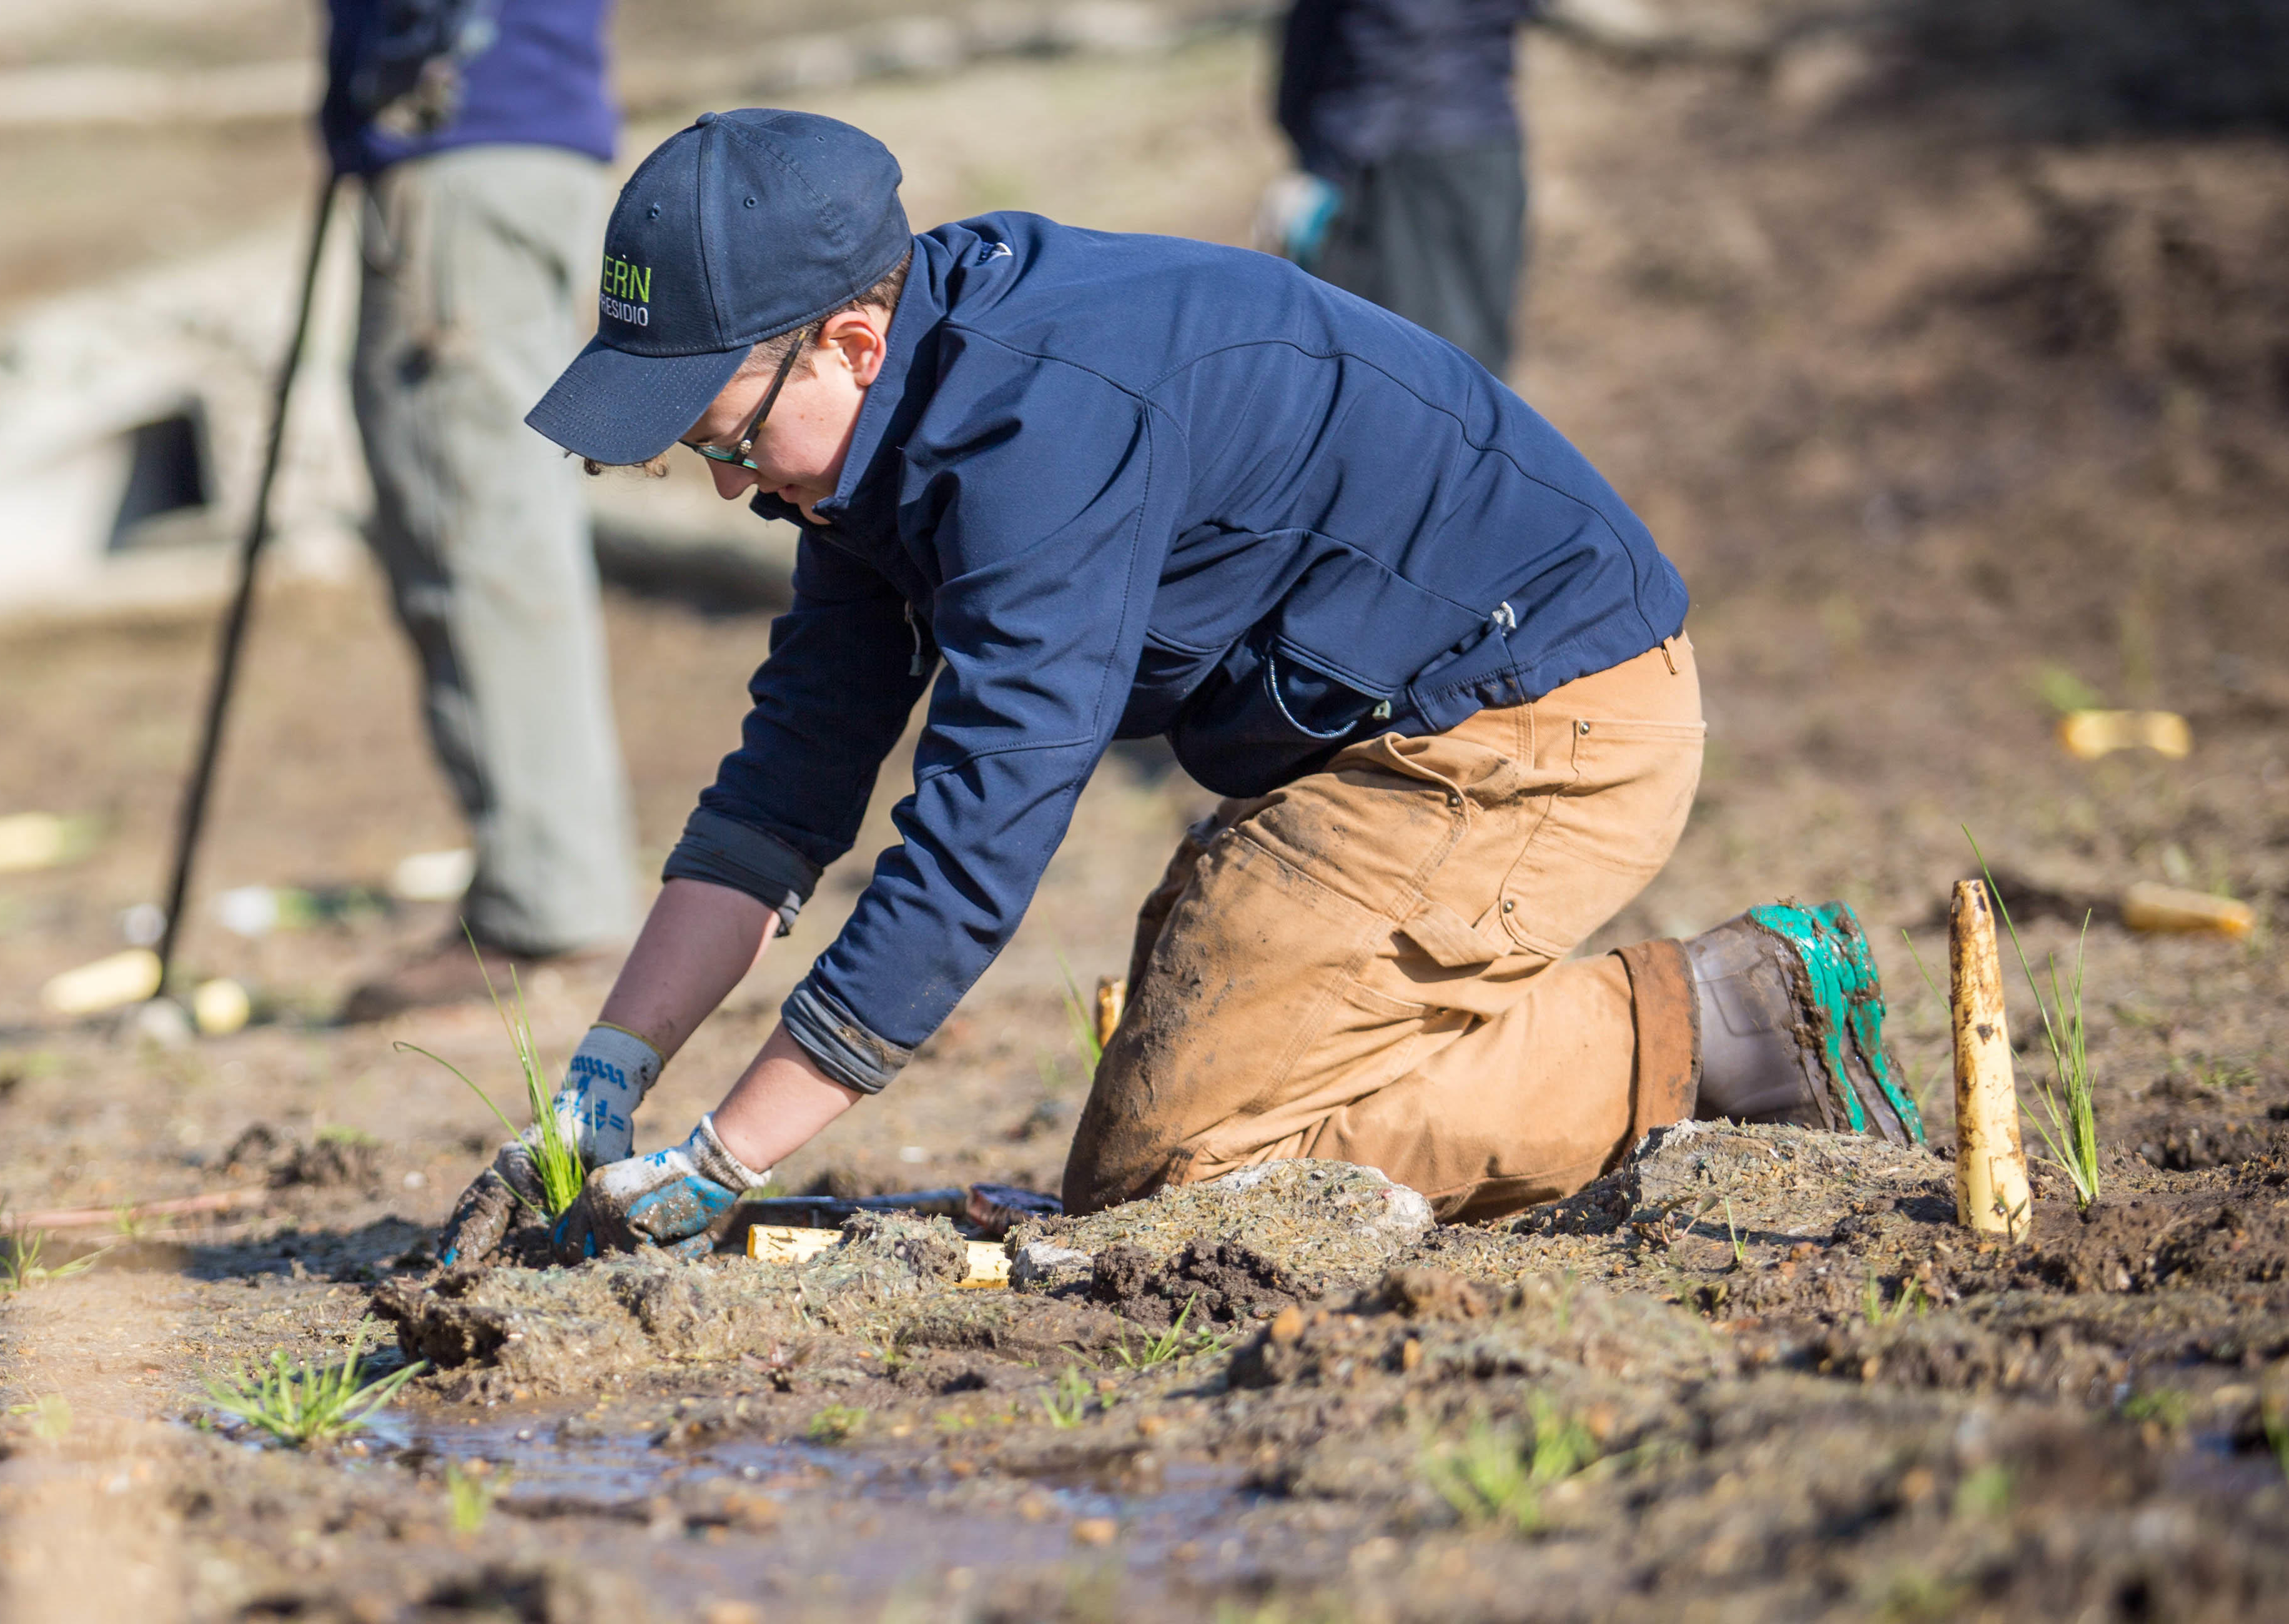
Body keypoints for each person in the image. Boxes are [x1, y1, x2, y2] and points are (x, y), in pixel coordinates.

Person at [442, 109, 1920, 1261]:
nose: (720, 485)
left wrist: (725, 1160)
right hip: (1378, 739)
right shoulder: (874, 441)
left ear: (848, 339)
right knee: (1152, 1159)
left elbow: (972, 846)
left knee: (1181, 1175)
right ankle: (1557, 1039)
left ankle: (1734, 1020)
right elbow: (793, 778)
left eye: (723, 438)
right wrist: (610, 1068)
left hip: (1530, 724)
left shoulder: (1032, 436)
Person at [320, 0, 640, 1021]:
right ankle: (549, 885)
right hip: (485, 127)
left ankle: (544, 903)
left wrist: (411, 48)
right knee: (490, 509)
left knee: (472, 520)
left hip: (461, 124)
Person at [1259, 0, 1536, 375]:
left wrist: (1328, 164)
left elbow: (1403, 29)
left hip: (1400, 157)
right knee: (1460, 365)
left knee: (1411, 369)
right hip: (1468, 136)